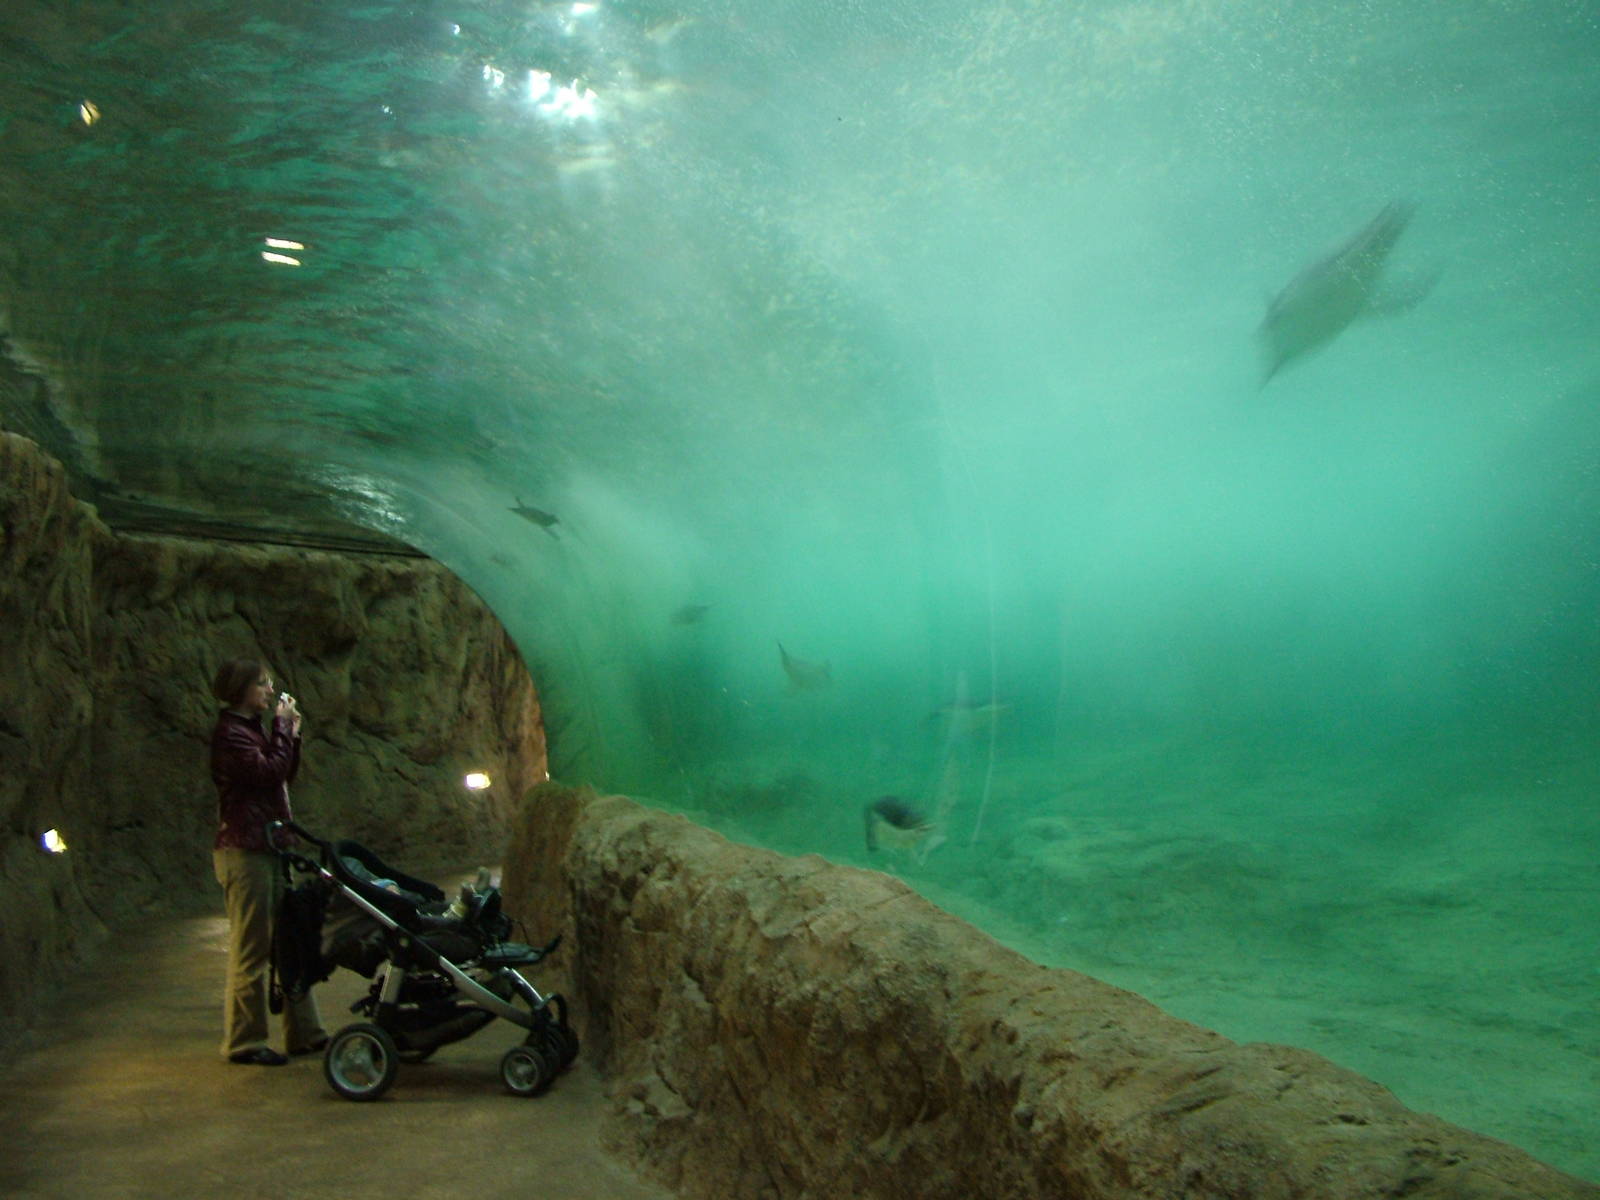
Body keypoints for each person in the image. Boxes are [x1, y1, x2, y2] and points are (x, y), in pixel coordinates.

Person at [209, 657, 327, 1066]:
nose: (269, 691)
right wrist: (281, 730)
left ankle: (305, 1033)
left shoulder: (250, 730)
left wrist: (290, 735)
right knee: (253, 947)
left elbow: (283, 772)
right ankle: (244, 1041)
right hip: (245, 852)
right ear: (240, 688)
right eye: (262, 685)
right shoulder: (230, 735)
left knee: (290, 941)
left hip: (271, 848)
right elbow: (266, 774)